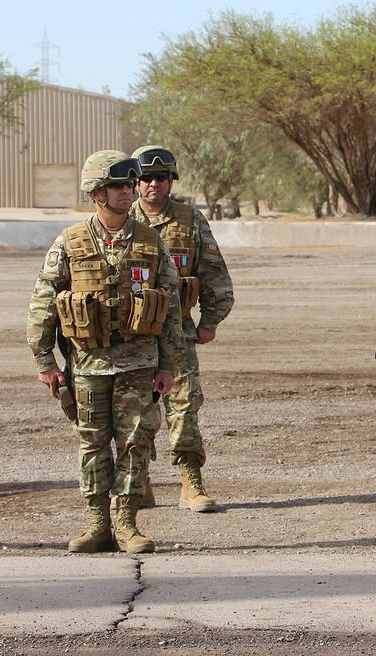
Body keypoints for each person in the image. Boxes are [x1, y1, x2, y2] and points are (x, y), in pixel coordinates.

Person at [27, 150, 183, 554]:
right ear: (96, 192)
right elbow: (44, 300)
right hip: (88, 364)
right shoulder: (70, 241)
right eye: (119, 185)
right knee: (93, 443)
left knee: (135, 443)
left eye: (131, 184)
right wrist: (45, 361)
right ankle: (97, 524)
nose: (128, 191)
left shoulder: (151, 241)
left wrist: (169, 365)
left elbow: (170, 307)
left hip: (140, 364)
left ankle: (127, 524)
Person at [129, 145, 235, 513]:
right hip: (130, 334)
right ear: (134, 181)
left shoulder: (190, 220)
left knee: (184, 406)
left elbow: (214, 273)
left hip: (176, 332)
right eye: (145, 178)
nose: (153, 185)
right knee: (132, 410)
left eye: (161, 178)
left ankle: (191, 481)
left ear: (171, 180)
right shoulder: (119, 220)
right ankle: (137, 482)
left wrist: (210, 320)